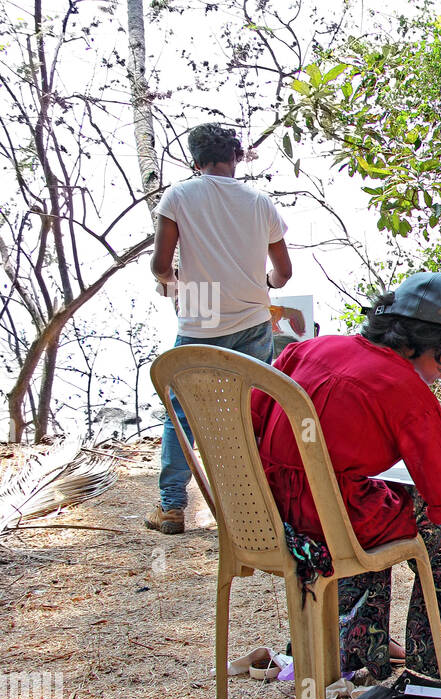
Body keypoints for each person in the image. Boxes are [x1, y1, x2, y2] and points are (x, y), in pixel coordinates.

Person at [251, 272, 441, 683]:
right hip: (331, 529)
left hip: (268, 518)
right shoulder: (411, 398)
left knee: (381, 496)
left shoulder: (309, 349)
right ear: (419, 341)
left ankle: (350, 641)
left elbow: (249, 422)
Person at [146, 122, 293, 535]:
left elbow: (160, 267)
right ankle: (259, 505)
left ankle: (172, 507)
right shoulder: (259, 202)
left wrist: (176, 282)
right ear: (236, 157)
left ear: (196, 161)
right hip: (251, 314)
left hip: (201, 311)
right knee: (251, 411)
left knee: (182, 414)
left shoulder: (179, 196)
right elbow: (283, 272)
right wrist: (263, 285)